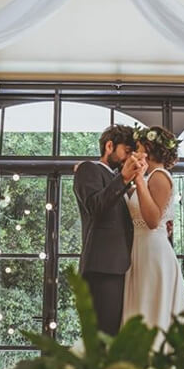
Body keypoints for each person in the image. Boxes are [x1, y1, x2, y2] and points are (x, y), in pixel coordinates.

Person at [73, 124, 147, 336]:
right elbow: (95, 207)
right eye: (126, 151)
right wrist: (123, 178)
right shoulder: (88, 169)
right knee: (102, 338)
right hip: (102, 268)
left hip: (122, 267)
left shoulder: (120, 182)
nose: (128, 158)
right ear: (109, 146)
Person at [122, 125, 184, 332]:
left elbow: (152, 220)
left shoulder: (160, 176)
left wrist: (139, 179)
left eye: (139, 148)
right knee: (141, 310)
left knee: (151, 312)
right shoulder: (148, 178)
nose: (135, 153)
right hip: (140, 249)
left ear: (149, 149)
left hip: (153, 252)